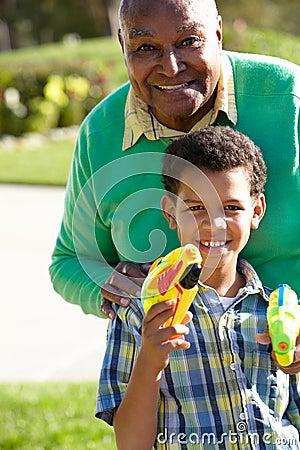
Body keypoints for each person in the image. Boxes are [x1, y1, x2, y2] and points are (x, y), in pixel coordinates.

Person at [49, 0, 300, 370]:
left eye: (188, 41)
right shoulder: (99, 135)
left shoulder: (289, 97)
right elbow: (68, 261)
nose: (170, 66)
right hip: (175, 396)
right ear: (123, 45)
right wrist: (104, 285)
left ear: (217, 33)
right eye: (146, 47)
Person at [95, 126, 300, 450]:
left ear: (256, 211)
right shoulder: (139, 310)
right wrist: (150, 360)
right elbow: (131, 444)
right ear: (169, 213)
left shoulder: (279, 311)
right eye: (196, 207)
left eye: (231, 208)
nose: (214, 223)